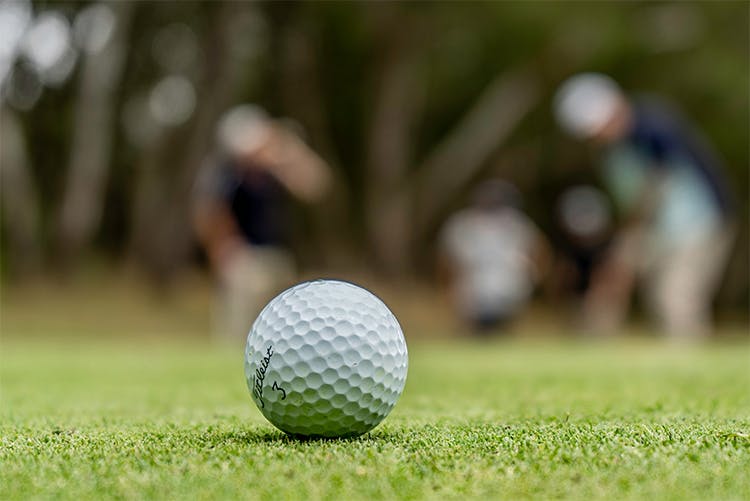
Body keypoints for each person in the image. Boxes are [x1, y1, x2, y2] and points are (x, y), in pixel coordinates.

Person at [554, 73, 736, 338]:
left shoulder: (653, 128)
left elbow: (656, 189)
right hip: (655, 227)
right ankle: (593, 342)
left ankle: (689, 362)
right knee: (612, 278)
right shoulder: (611, 150)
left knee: (675, 293)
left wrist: (630, 239)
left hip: (699, 223)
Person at [193, 105, 331, 341]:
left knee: (282, 332)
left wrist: (291, 150)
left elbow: (316, 185)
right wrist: (221, 250)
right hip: (244, 257)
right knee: (239, 331)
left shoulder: (275, 171)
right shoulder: (226, 174)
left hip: (279, 256)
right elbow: (208, 212)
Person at [438, 180, 548, 333]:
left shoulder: (516, 223)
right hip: (474, 294)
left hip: (509, 292)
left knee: (501, 336)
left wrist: (534, 276)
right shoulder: (462, 224)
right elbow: (448, 262)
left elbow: (539, 252)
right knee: (477, 335)